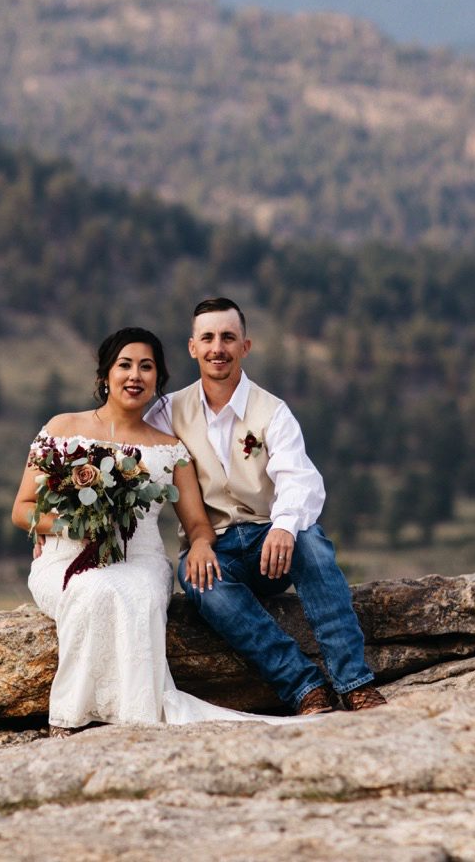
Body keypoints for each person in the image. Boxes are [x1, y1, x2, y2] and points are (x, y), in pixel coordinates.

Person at [12, 326, 299, 734]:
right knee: (92, 589)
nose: (135, 376)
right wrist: (73, 524)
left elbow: (198, 524)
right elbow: (22, 509)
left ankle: (136, 719)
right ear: (104, 375)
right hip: (66, 557)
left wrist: (201, 545)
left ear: (157, 381)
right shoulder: (62, 428)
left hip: (140, 558)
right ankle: (71, 717)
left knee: (137, 593)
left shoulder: (170, 448)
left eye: (146, 367)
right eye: (125, 365)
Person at [147, 297, 386, 715]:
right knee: (197, 579)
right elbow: (130, 457)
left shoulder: (272, 411)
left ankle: (355, 683)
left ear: (246, 346)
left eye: (228, 337)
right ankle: (305, 687)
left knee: (311, 541)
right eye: (208, 338)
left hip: (268, 544)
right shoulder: (168, 412)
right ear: (192, 347)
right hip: (214, 545)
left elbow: (298, 477)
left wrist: (283, 526)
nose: (217, 347)